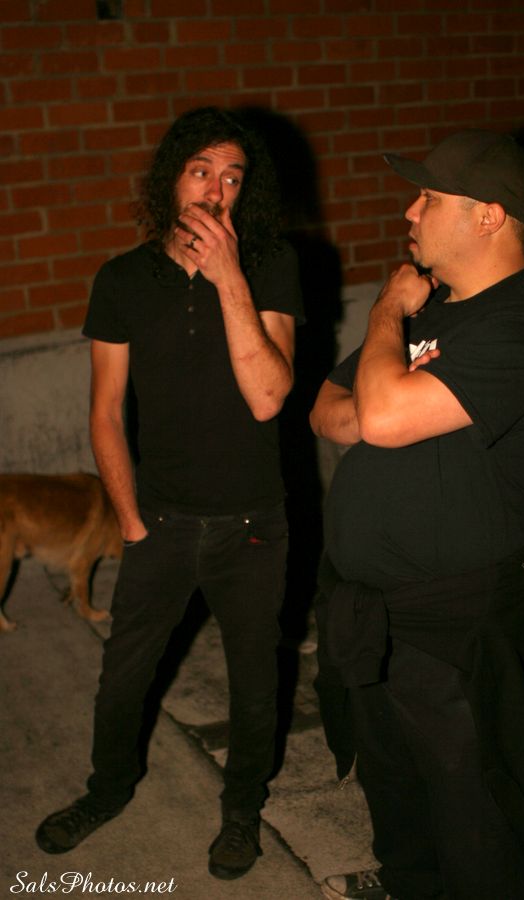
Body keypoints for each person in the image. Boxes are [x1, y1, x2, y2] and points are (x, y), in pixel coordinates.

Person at [35, 106, 304, 880]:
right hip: (158, 519)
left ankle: (241, 811)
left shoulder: (271, 264)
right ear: (171, 180)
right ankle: (107, 790)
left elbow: (269, 396)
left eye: (232, 178)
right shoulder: (122, 280)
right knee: (124, 673)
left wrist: (230, 278)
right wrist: (129, 521)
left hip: (252, 521)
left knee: (255, 680)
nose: (216, 191)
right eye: (201, 172)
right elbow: (104, 412)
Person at [310, 130, 524, 900]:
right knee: (401, 809)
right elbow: (328, 410)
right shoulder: (435, 314)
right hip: (373, 614)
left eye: (428, 197)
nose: (410, 211)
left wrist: (387, 317)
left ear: (488, 215)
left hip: (459, 627)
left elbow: (380, 416)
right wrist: (383, 398)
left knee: (485, 822)